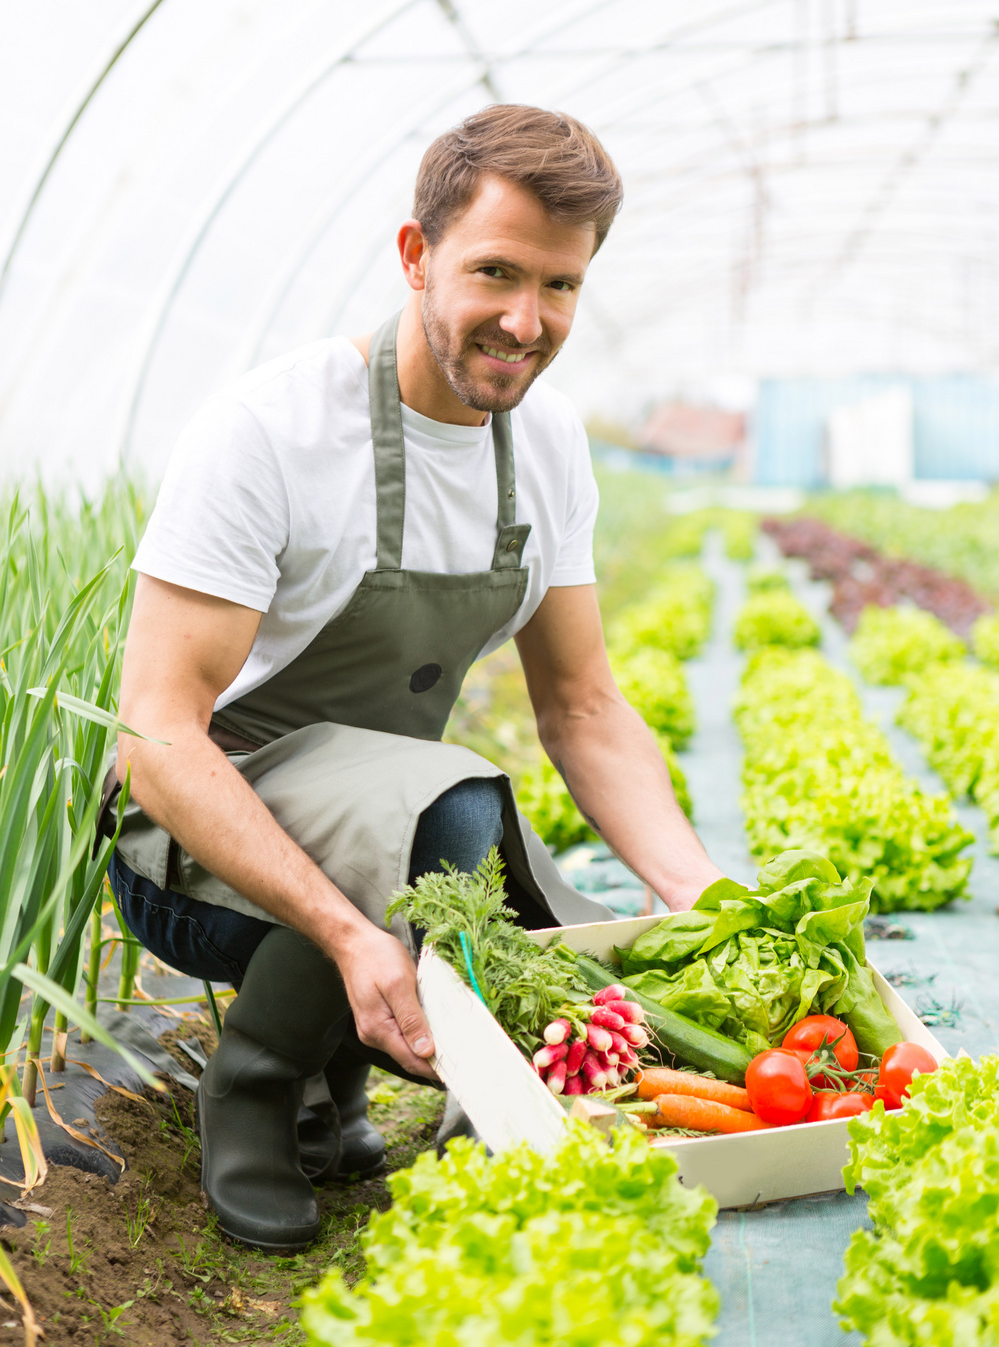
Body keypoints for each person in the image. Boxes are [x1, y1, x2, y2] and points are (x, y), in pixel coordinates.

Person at [104, 104, 723, 1251]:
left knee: (511, 888)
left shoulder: (546, 446)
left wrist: (695, 890)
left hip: (380, 824)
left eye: (561, 287)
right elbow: (158, 736)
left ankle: (338, 1087)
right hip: (190, 852)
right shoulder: (272, 431)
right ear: (413, 256)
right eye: (493, 272)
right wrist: (348, 937)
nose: (523, 321)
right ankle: (254, 1086)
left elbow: (581, 704)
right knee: (454, 808)